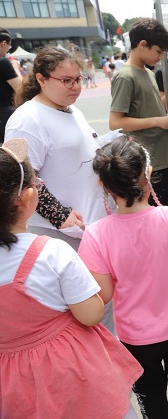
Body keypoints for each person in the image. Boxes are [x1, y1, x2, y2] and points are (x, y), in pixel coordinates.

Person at [0, 138, 142, 419]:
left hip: (13, 384)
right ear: (28, 198)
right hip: (72, 374)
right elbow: (91, 314)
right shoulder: (51, 252)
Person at [78, 135, 168, 418]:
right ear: (149, 173)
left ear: (103, 186)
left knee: (150, 395)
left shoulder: (96, 235)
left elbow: (103, 295)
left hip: (136, 337)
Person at [5, 46, 116, 333]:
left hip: (90, 230)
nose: (76, 86)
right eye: (66, 80)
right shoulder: (27, 119)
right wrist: (59, 214)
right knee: (85, 315)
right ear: (41, 79)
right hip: (62, 236)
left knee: (102, 309)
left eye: (78, 79)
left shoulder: (71, 109)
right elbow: (19, 175)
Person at [109, 18, 168, 207]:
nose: (160, 57)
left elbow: (150, 110)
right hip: (146, 163)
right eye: (158, 51)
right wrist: (158, 121)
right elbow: (115, 123)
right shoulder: (125, 76)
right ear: (143, 45)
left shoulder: (148, 73)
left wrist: (166, 119)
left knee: (167, 213)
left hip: (161, 157)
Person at [0, 28, 21, 143]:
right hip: (6, 115)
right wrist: (16, 68)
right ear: (3, 43)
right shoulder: (3, 62)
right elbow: (21, 89)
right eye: (9, 46)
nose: (8, 50)